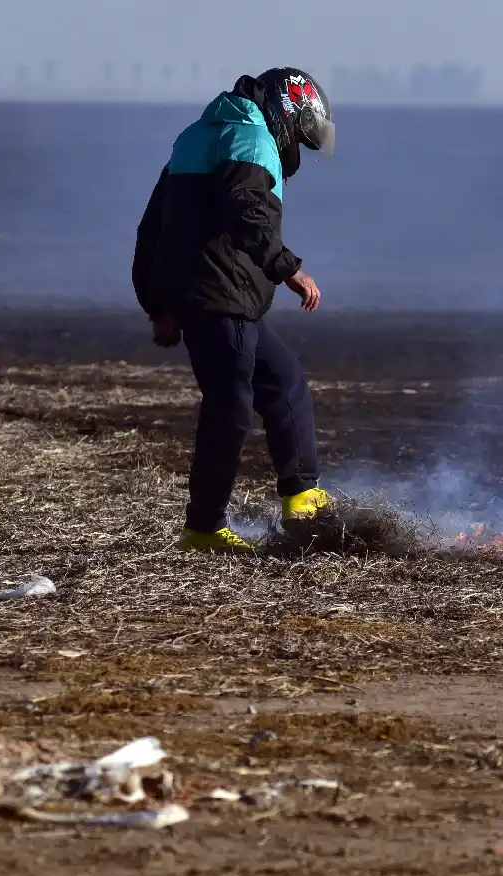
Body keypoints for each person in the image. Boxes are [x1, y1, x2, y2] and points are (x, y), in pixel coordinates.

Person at [132, 68, 336, 553]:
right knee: (230, 409)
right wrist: (288, 269)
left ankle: (302, 497)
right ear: (289, 114)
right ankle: (204, 529)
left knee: (283, 382)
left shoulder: (197, 137)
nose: (298, 149)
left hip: (212, 296)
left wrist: (159, 304)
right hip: (223, 295)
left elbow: (153, 228)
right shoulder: (252, 138)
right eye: (302, 134)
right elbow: (247, 210)